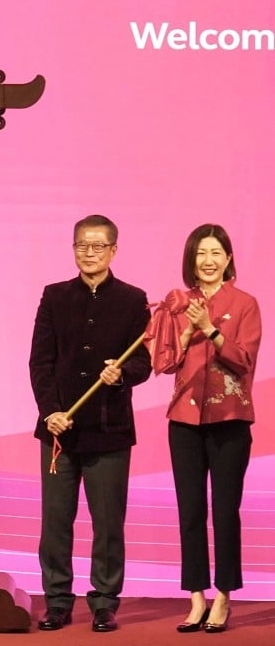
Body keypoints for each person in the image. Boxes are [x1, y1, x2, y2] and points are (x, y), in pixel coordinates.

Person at [29, 214, 151, 632]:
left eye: (98, 246)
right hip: (60, 430)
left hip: (109, 429)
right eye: (82, 244)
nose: (89, 252)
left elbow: (143, 362)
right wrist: (51, 412)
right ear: (74, 247)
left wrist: (124, 374)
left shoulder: (134, 300)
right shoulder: (54, 296)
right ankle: (58, 601)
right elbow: (40, 362)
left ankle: (104, 601)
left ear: (114, 250)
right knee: (56, 521)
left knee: (107, 522)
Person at [153, 224, 261, 634]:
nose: (209, 260)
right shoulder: (177, 303)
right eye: (201, 253)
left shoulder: (245, 303)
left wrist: (212, 330)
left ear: (229, 259)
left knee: (225, 510)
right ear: (191, 261)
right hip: (184, 420)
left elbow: (243, 361)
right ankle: (196, 595)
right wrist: (183, 329)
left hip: (230, 419)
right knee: (190, 510)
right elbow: (163, 362)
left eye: (216, 252)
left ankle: (223, 597)